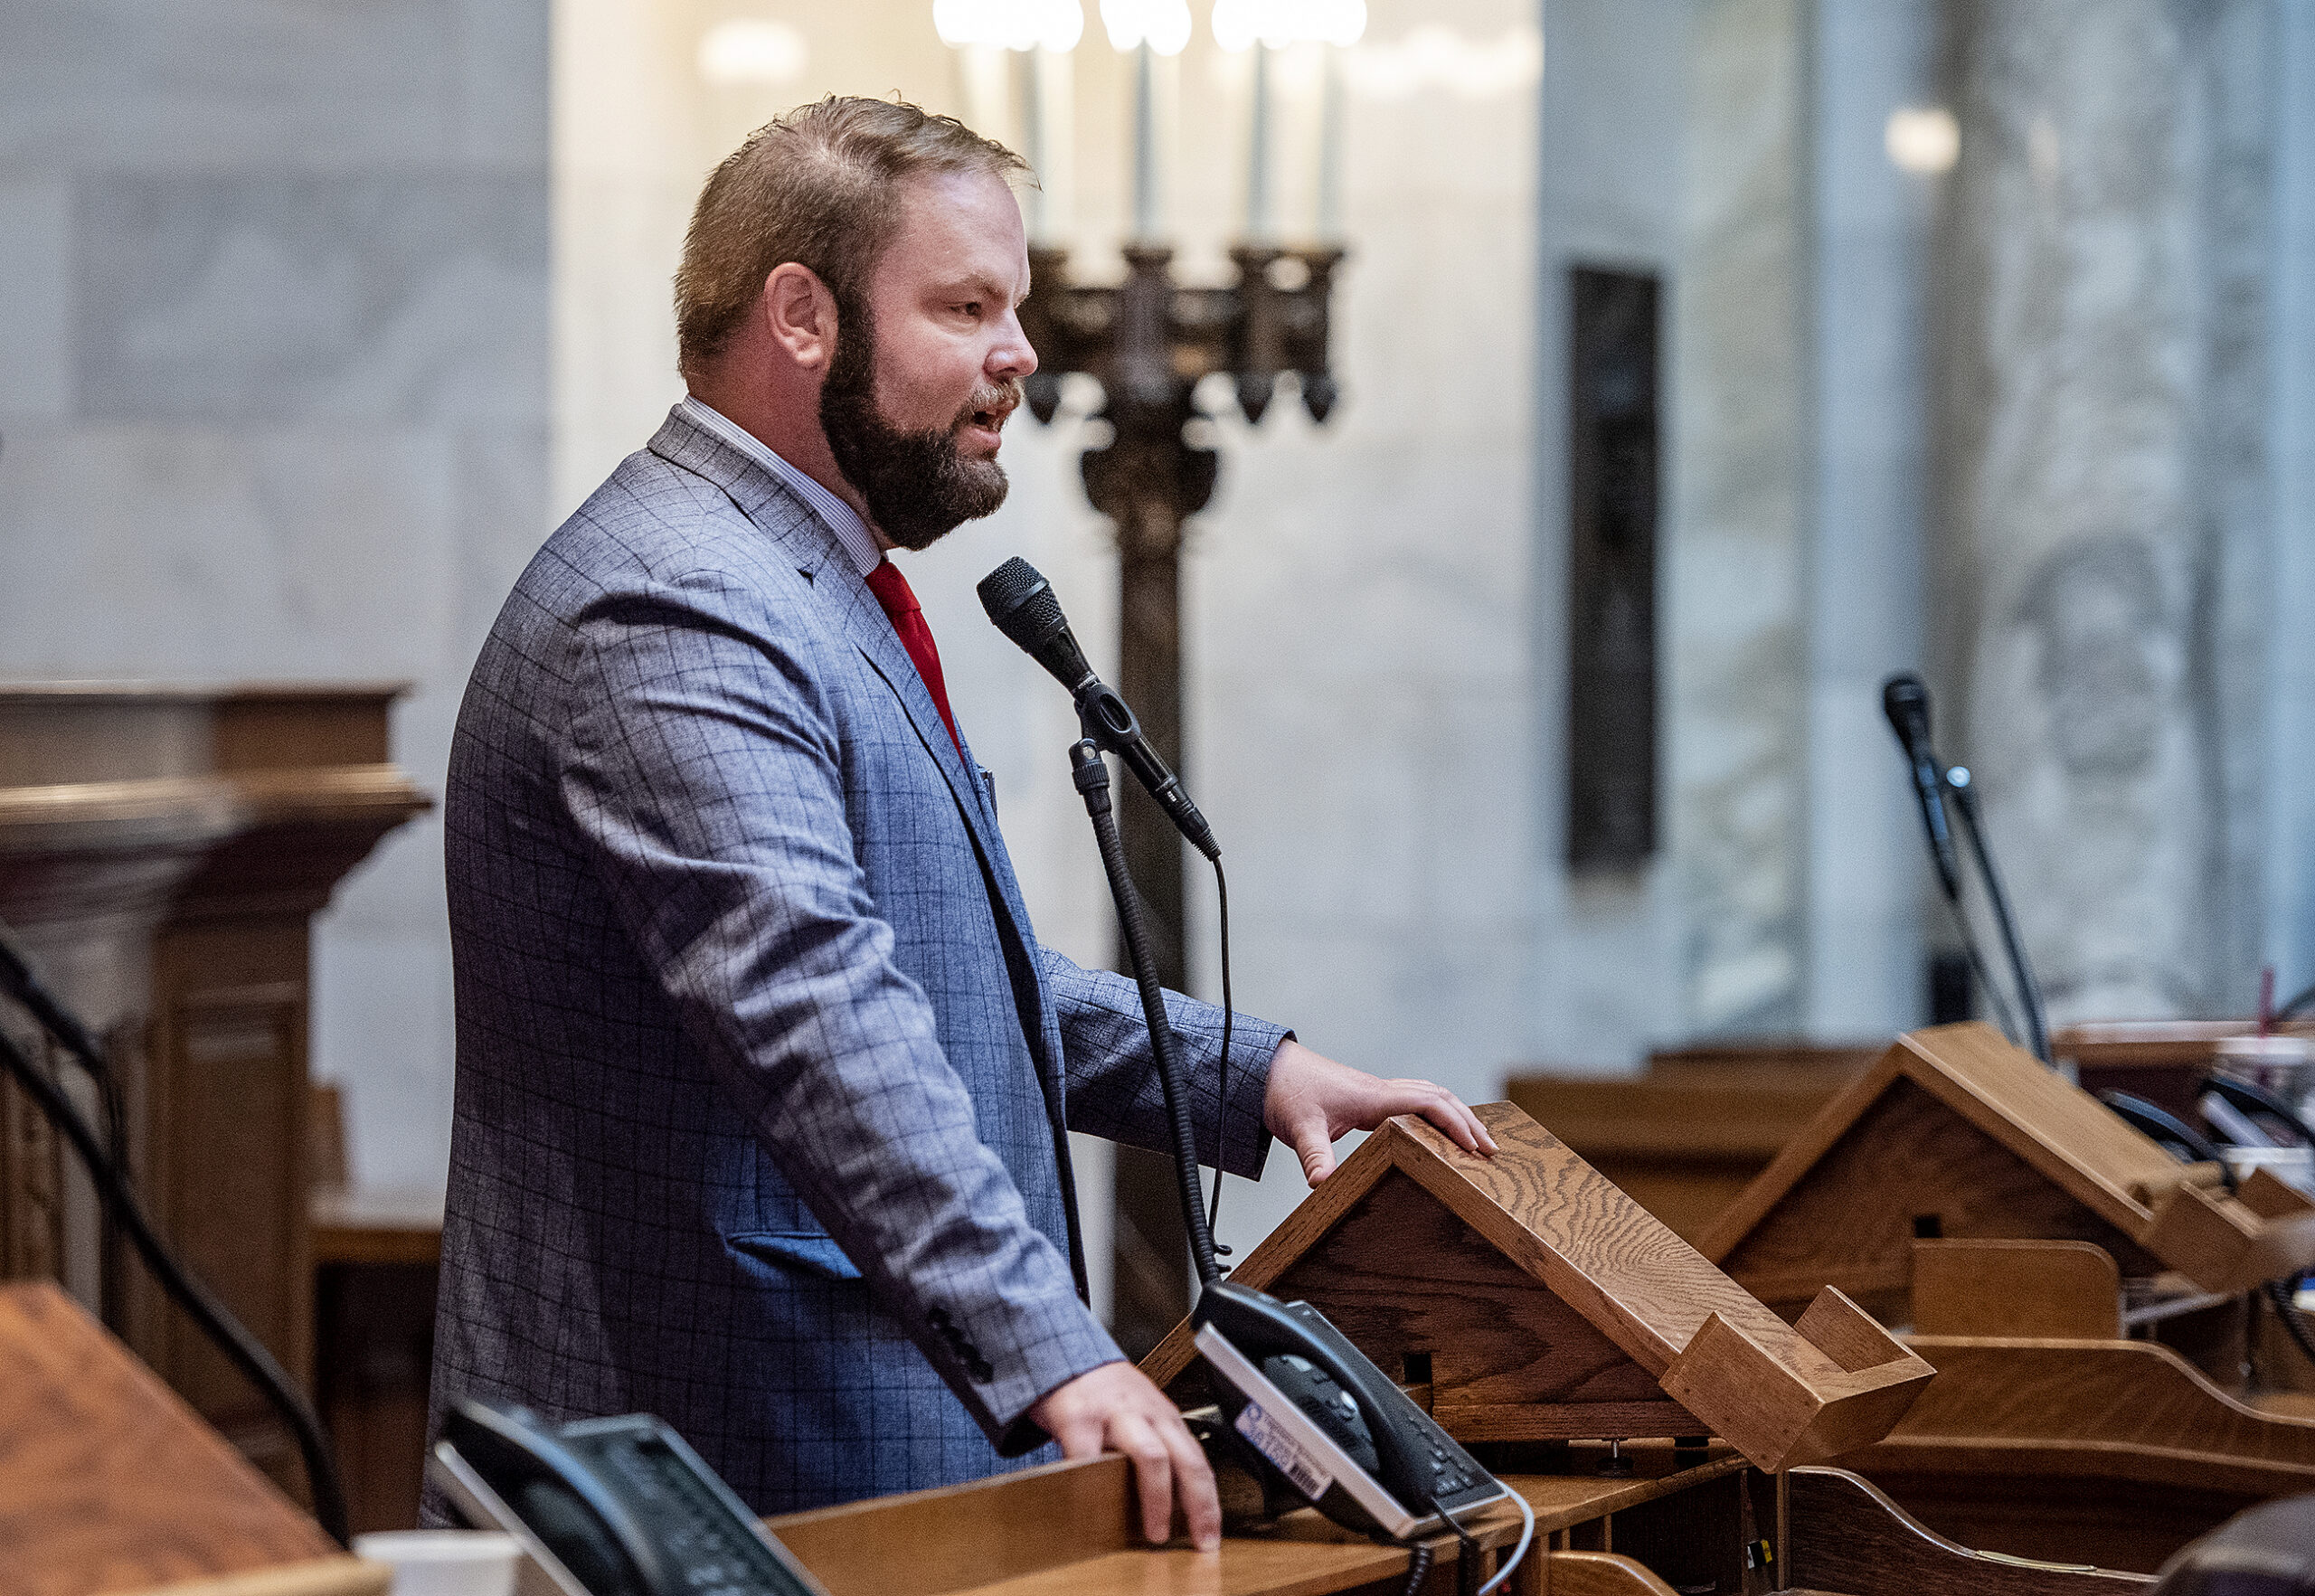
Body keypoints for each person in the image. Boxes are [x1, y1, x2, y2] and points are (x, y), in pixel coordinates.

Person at [426, 96, 1494, 1550]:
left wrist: (1256, 1073)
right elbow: (821, 1014)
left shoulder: (791, 578)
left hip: (848, 1451)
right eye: (969, 306)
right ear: (801, 316)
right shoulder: (672, 604)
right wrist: (1050, 1340)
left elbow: (939, 978)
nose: (1022, 355)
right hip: (740, 1471)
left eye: (1021, 306)